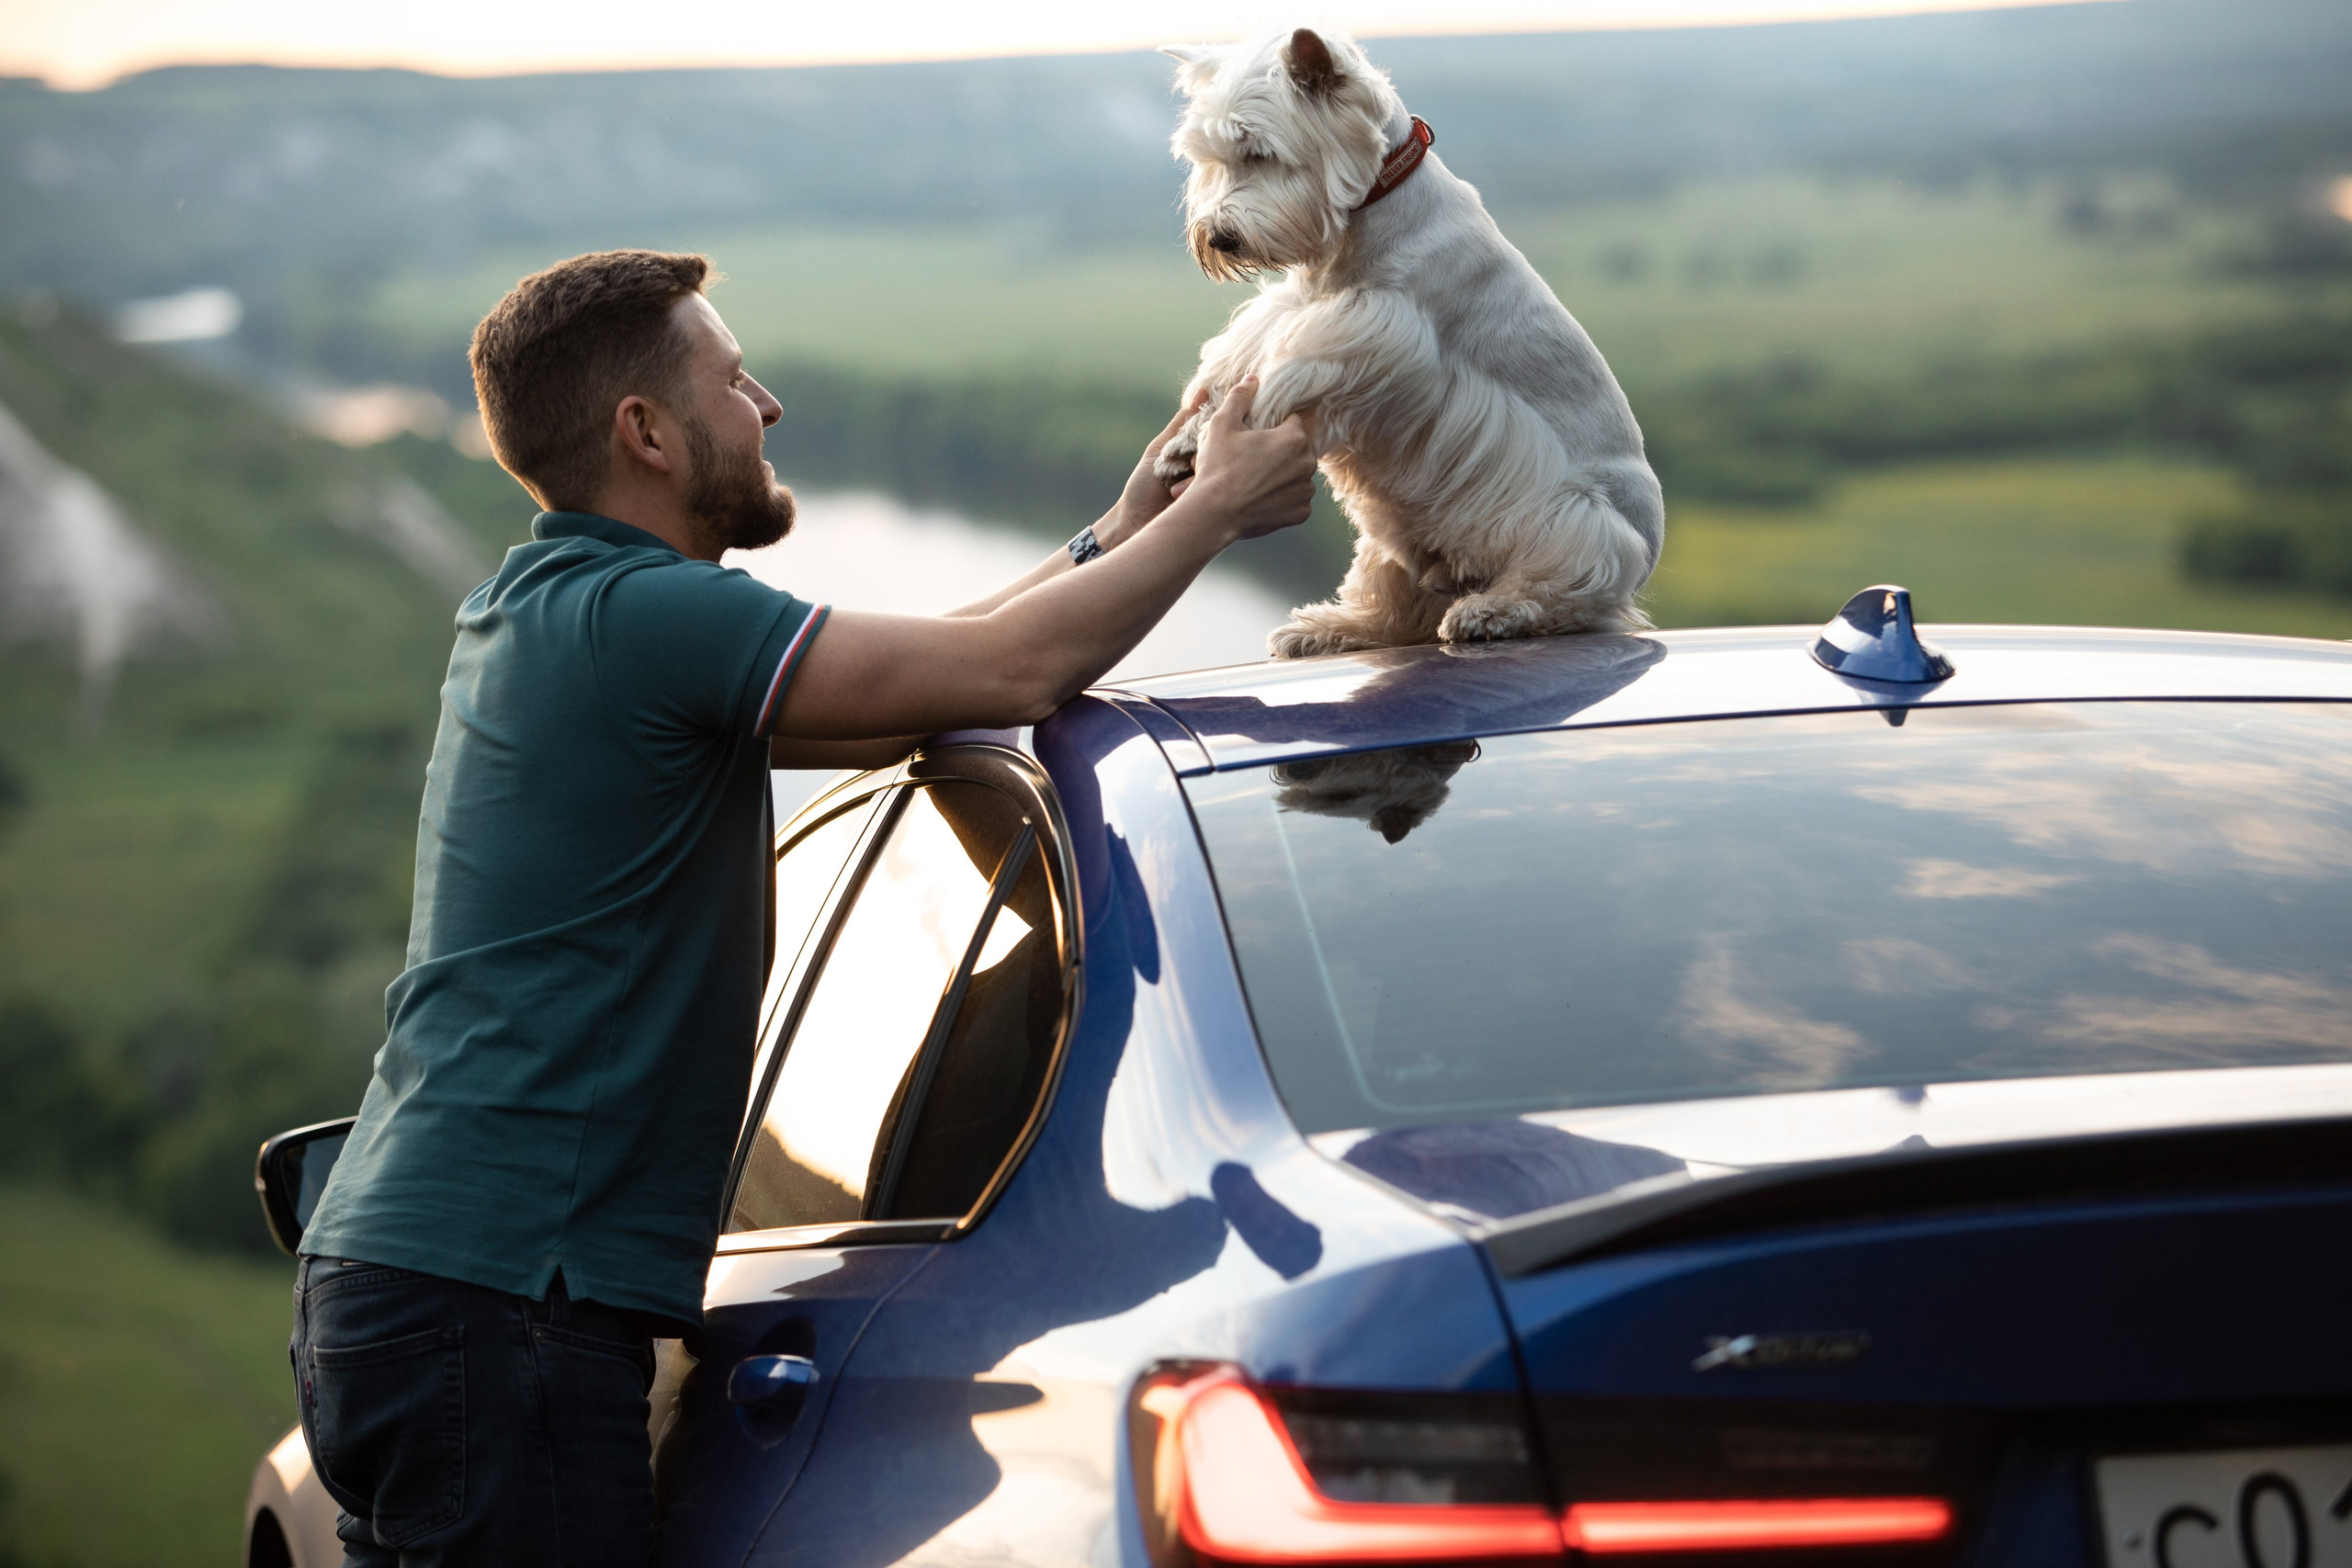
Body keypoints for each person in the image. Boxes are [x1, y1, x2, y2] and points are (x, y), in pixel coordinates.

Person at [290, 249, 1316, 1566]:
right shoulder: (644, 619)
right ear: (645, 434)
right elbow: (1014, 671)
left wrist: (1112, 535)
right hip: (508, 1302)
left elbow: (930, 676)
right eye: (731, 379)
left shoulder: (561, 609)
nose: (765, 404)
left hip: (423, 1288)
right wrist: (1215, 514)